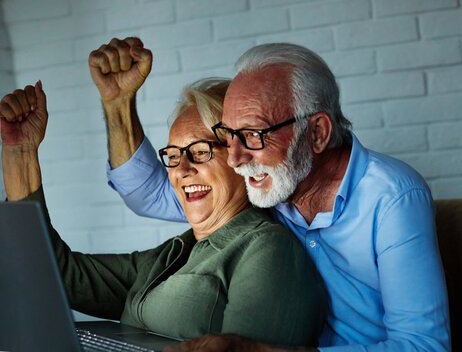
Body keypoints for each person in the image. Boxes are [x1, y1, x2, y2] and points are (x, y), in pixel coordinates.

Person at [101, 40, 451, 351]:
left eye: (254, 135)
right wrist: (119, 104)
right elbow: (150, 194)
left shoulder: (393, 196)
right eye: (229, 135)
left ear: (317, 132)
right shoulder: (267, 182)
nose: (236, 158)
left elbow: (424, 345)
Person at [0, 78, 327, 347]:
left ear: (242, 158)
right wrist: (20, 154)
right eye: (172, 155)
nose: (181, 169)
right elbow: (59, 275)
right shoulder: (170, 255)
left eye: (200, 152)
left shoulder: (267, 249)